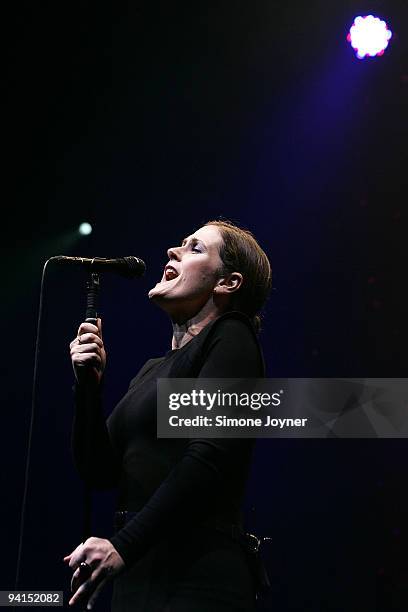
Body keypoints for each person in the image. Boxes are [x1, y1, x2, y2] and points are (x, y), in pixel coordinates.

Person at [63, 220, 272, 611]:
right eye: (179, 244)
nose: (172, 252)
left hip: (195, 575)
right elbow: (99, 471)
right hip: (139, 571)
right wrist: (88, 388)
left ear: (227, 283)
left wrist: (124, 544)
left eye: (194, 249)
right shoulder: (151, 370)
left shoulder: (232, 336)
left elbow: (211, 456)